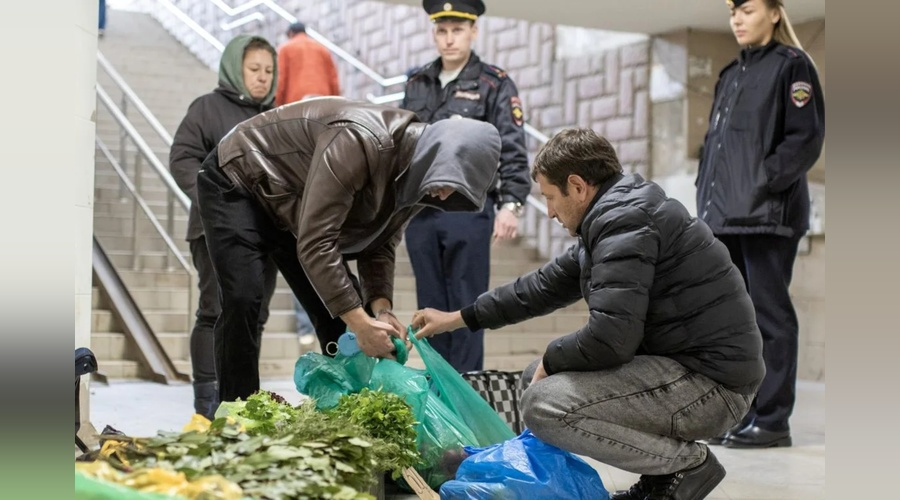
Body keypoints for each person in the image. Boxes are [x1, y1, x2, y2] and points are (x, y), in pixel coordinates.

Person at [412, 128, 765, 500]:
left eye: (550, 197)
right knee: (537, 378)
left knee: (543, 403)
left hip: (713, 388)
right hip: (690, 372)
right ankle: (661, 477)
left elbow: (612, 339)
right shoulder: (615, 216)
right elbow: (540, 287)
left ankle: (685, 465)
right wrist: (457, 318)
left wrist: (552, 357)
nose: (548, 212)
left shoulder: (625, 222)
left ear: (578, 187)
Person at [196, 97, 502, 403]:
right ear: (437, 155)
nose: (445, 194)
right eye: (449, 181)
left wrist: (381, 312)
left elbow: (379, 245)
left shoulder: (418, 174)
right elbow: (316, 242)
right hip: (239, 176)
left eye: (455, 190)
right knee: (243, 297)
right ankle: (237, 415)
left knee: (337, 314)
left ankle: (343, 409)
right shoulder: (357, 140)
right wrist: (360, 323)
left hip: (293, 206)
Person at [695, 0, 824, 449]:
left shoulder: (793, 66)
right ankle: (740, 413)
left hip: (769, 217)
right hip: (724, 218)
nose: (736, 19)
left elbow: (804, 139)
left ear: (774, 12)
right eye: (732, 11)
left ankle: (772, 420)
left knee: (770, 317)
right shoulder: (730, 74)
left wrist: (763, 183)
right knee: (734, 323)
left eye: (747, 9)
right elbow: (715, 147)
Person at [400, 0, 531, 373]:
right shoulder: (417, 82)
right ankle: (440, 396)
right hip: (423, 211)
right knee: (429, 308)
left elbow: (512, 144)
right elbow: (402, 146)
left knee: (466, 308)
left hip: (469, 209)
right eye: (442, 31)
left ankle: (467, 392)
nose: (449, 39)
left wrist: (512, 203)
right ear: (433, 33)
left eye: (457, 30)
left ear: (473, 31)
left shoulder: (495, 83)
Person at [169, 35, 280, 419]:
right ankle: (207, 406)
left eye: (268, 70)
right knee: (215, 311)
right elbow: (182, 157)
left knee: (254, 315)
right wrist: (214, 201)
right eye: (254, 70)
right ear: (236, 68)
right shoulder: (207, 108)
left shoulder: (277, 115)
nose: (262, 78)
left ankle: (240, 400)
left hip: (265, 235)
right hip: (214, 231)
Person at [275, 21, 340, 106]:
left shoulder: (285, 49)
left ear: (290, 33)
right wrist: (336, 104)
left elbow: (281, 78)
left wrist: (277, 103)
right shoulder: (322, 49)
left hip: (296, 100)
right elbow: (333, 79)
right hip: (323, 98)